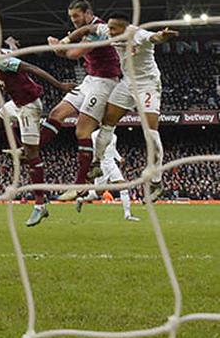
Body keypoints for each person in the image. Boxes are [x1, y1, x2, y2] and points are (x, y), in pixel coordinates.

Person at [64, 12, 177, 202]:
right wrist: (66, 39)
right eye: (109, 27)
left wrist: (162, 36)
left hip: (147, 85)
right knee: (107, 123)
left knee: (151, 134)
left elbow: (154, 37)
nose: (110, 31)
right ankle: (96, 162)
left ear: (125, 28)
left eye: (114, 28)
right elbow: (87, 29)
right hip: (127, 84)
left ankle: (156, 182)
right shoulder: (107, 31)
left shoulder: (137, 34)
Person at [0, 33, 75, 227]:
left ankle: (40, 205)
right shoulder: (1, 56)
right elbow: (13, 55)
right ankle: (18, 149)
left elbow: (32, 68)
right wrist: (12, 44)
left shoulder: (2, 61)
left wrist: (60, 85)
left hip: (29, 106)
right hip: (17, 103)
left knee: (33, 157)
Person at [44, 0, 122, 203]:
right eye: (71, 18)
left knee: (82, 130)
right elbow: (67, 50)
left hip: (105, 82)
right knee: (56, 114)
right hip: (90, 79)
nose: (74, 21)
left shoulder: (99, 29)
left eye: (77, 17)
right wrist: (59, 47)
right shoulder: (83, 29)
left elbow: (73, 53)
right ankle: (28, 152)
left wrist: (55, 46)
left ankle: (81, 185)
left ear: (88, 13)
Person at [76, 129, 139, 221]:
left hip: (112, 164)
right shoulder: (94, 135)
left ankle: (127, 214)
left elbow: (113, 149)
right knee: (98, 193)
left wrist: (119, 158)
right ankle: (81, 200)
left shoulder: (114, 136)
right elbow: (92, 149)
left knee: (123, 187)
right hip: (101, 166)